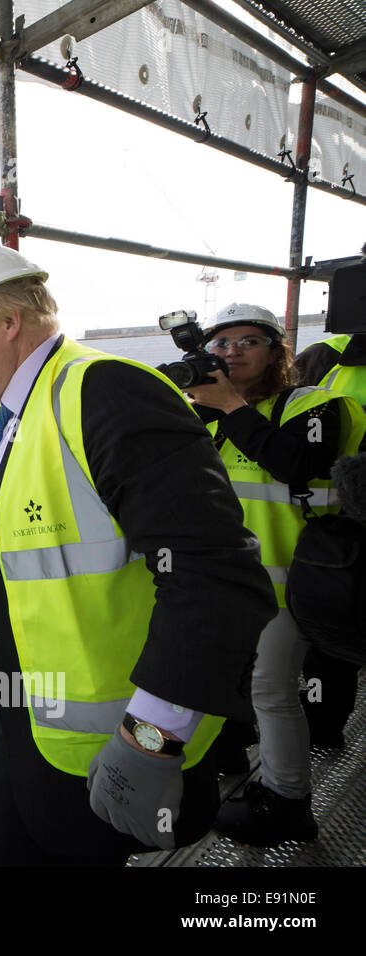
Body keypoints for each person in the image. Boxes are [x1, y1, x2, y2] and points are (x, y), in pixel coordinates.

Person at [0, 245, 274, 866]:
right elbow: (23, 488)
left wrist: (151, 739)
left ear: (7, 320)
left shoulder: (107, 390)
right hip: (24, 730)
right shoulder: (35, 405)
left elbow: (218, 577)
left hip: (99, 754)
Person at [187, 304, 365, 845]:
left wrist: (231, 407)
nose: (231, 352)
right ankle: (231, 760)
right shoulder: (203, 414)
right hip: (228, 582)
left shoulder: (317, 405)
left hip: (295, 582)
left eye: (248, 342)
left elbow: (297, 464)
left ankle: (287, 800)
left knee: (271, 689)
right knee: (234, 680)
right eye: (220, 344)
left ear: (276, 352)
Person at [295, 329, 366, 748]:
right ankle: (323, 726)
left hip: (345, 517)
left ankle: (321, 726)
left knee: (333, 640)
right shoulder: (331, 354)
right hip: (344, 513)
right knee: (333, 641)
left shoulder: (331, 355)